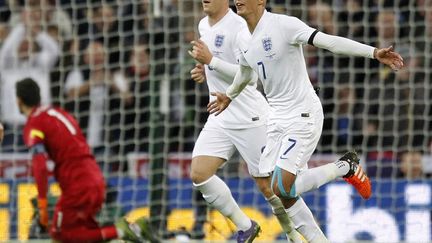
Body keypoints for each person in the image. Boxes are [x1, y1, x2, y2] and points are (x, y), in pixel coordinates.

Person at [206, 0, 403, 242]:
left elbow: (329, 42)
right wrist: (229, 95)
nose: (238, 0)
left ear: (261, 1)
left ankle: (345, 167)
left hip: (303, 114)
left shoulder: (284, 25)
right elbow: (246, 72)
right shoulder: (242, 38)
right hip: (276, 118)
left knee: (281, 186)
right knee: (282, 193)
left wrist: (372, 52)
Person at [188, 1, 302, 242]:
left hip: (250, 117)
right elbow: (216, 63)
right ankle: (246, 226)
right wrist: (204, 69)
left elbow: (249, 77)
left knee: (268, 188)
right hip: (219, 114)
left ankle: (293, 234)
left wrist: (210, 62)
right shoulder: (203, 25)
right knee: (200, 173)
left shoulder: (240, 27)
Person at [16, 78, 158, 243]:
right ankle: (132, 229)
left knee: (61, 234)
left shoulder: (34, 124)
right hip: (95, 178)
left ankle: (122, 231)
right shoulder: (59, 113)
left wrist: (42, 204)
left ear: (19, 100)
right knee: (86, 234)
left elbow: (39, 166)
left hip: (78, 185)